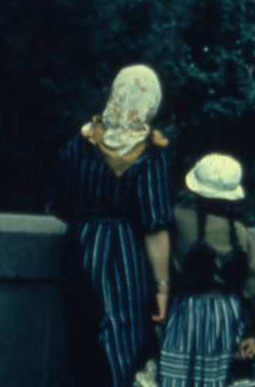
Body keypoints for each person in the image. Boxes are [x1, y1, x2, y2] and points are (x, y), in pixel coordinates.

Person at [48, 65, 174, 387]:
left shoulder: (79, 143)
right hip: (124, 258)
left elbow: (59, 205)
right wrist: (162, 287)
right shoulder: (149, 156)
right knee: (122, 341)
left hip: (78, 249)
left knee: (82, 340)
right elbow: (155, 227)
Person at [158, 153, 255, 387]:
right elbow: (253, 289)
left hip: (186, 308)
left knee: (178, 374)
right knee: (218, 376)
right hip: (225, 314)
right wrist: (250, 330)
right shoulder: (239, 233)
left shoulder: (177, 220)